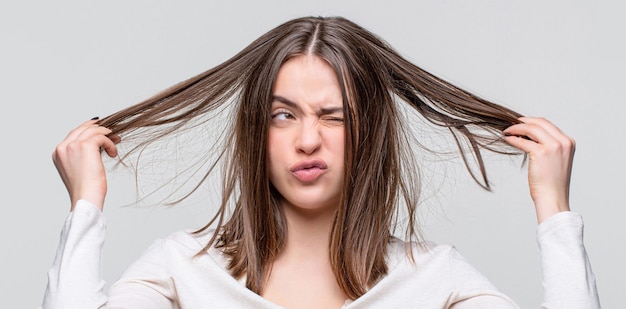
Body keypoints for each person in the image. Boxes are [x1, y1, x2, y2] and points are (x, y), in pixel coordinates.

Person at [41, 16, 600, 308]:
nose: (308, 140)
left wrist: (554, 211)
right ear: (255, 134)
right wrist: (86, 206)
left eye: (334, 116)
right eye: (283, 116)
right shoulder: (183, 269)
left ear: (370, 134)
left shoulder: (432, 279)